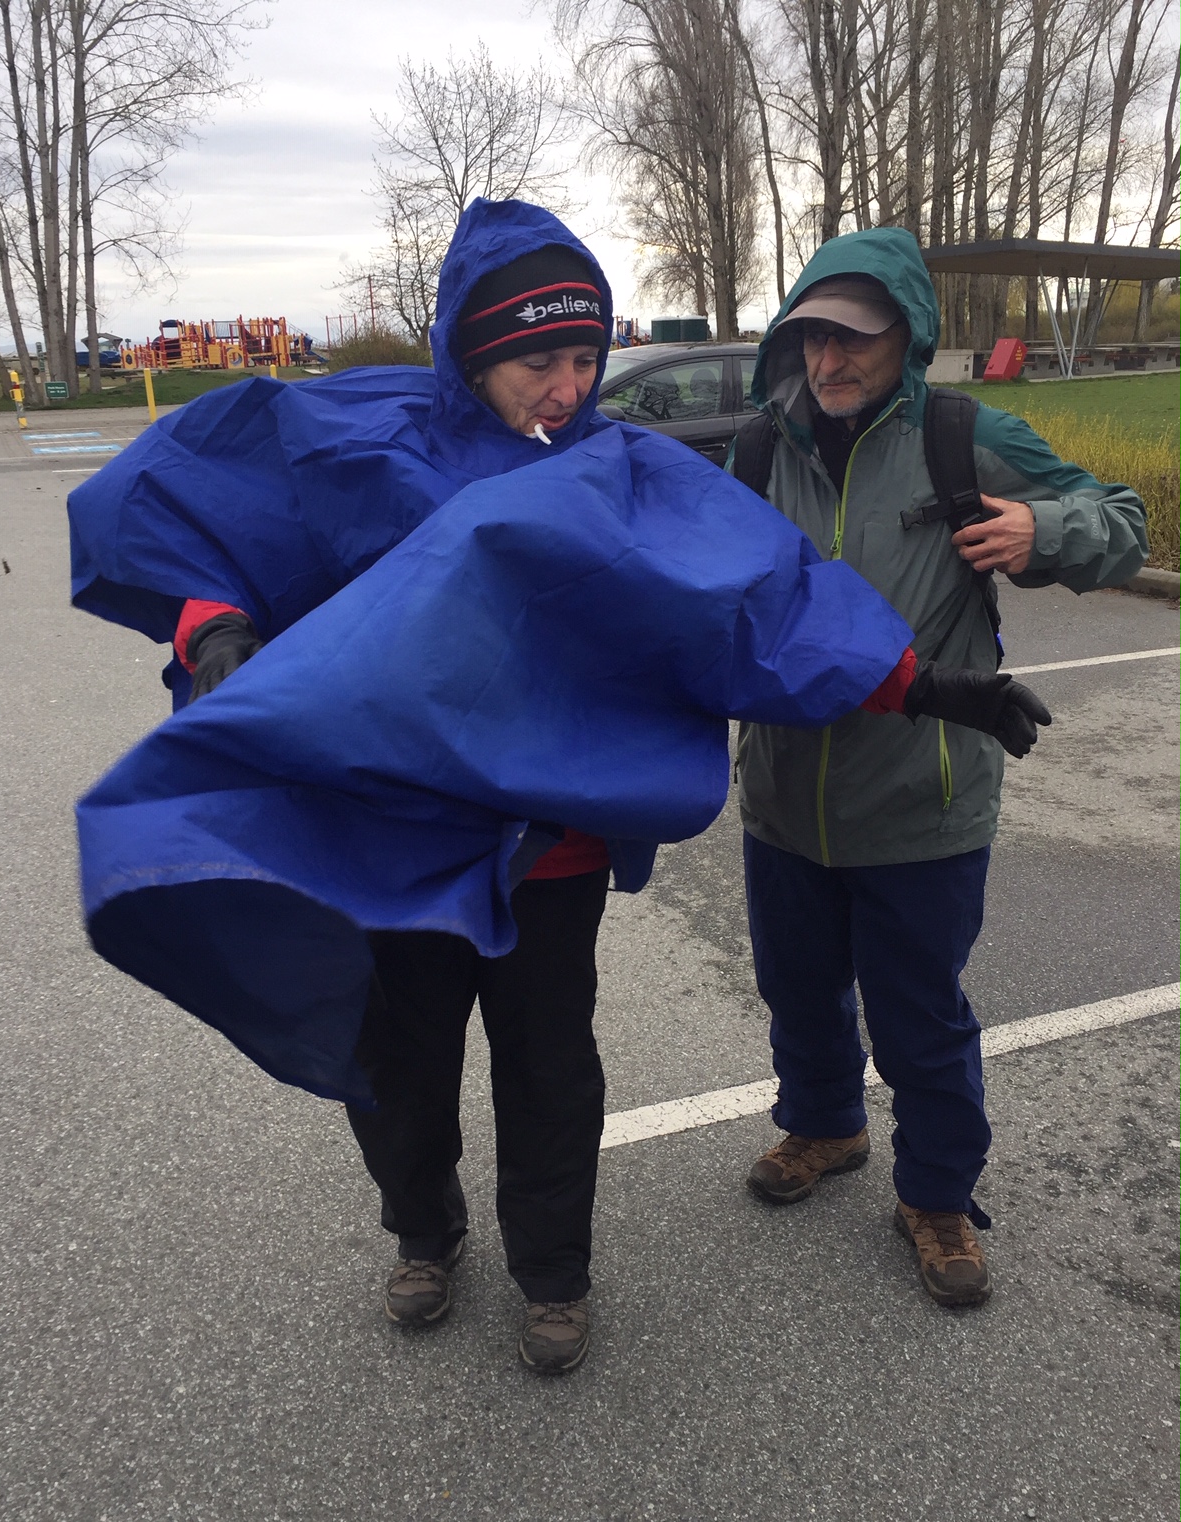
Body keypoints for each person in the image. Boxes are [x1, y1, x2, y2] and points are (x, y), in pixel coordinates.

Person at [68, 202, 1049, 1373]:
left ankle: (554, 1275)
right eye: (541, 359)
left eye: (587, 357)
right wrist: (211, 626)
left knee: (548, 1066)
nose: (569, 385)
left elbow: (755, 600)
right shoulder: (358, 442)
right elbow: (198, 505)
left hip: (550, 844)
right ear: (476, 349)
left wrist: (924, 684)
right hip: (394, 838)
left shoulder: (618, 468)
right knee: (404, 1064)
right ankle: (424, 1233)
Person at [731, 226, 1148, 1308]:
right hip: (782, 798)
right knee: (796, 990)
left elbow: (1122, 522)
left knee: (920, 1014)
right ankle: (823, 1124)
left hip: (926, 796)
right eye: (812, 337)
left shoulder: (961, 433)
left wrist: (1038, 525)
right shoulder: (756, 451)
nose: (830, 362)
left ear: (905, 338)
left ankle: (937, 1196)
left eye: (855, 341)